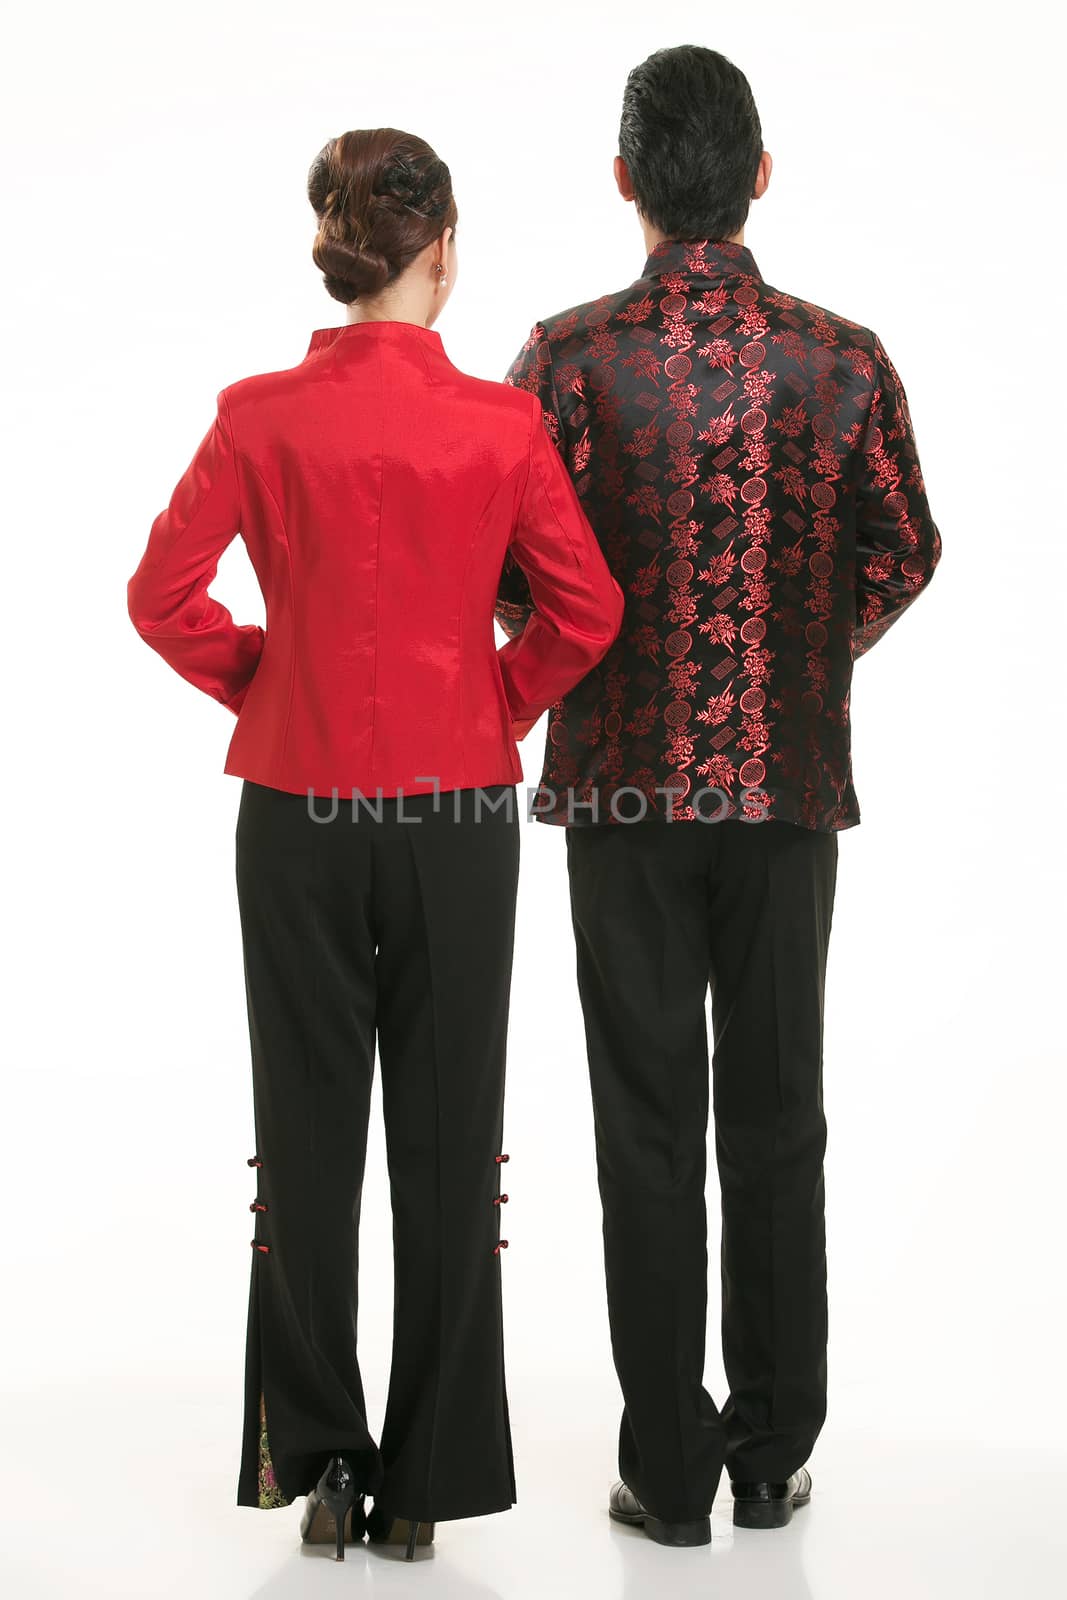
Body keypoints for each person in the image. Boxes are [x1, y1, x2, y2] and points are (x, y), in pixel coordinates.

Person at [127, 126, 623, 1563]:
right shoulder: (501, 428)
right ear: (445, 254)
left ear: (337, 254)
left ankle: (315, 1467)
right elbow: (584, 614)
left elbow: (163, 596)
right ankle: (431, 1480)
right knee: (452, 1141)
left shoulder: (255, 414)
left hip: (294, 810)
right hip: (460, 814)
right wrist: (490, 694)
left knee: (306, 1133)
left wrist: (270, 681)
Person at [497, 46, 941, 1547]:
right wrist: (807, 655)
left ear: (626, 179)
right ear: (760, 171)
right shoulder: (845, 357)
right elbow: (904, 549)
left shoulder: (564, 361)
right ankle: (770, 1458)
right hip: (786, 790)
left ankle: (667, 1472)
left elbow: (510, 573)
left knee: (644, 1123)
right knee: (776, 1119)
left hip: (620, 792)